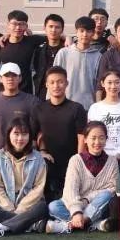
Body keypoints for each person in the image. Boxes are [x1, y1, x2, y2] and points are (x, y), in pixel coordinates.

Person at [0, 118, 49, 237]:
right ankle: (32, 225)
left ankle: (2, 227)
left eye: (24, 134)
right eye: (16, 134)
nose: (20, 138)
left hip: (30, 205)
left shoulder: (38, 158)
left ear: (29, 136)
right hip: (6, 205)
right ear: (8, 135)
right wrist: (10, 207)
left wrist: (21, 208)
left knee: (42, 208)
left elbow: (38, 188)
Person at [46, 121, 119, 234]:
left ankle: (69, 225)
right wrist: (76, 212)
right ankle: (94, 224)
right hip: (76, 204)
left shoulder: (112, 161)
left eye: (101, 138)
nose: (97, 142)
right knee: (53, 206)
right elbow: (70, 189)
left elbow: (113, 188)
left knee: (107, 195)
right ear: (85, 139)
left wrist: (87, 200)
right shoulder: (76, 160)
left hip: (98, 205)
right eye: (93, 138)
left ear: (106, 139)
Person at [32, 66, 88, 201]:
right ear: (46, 84)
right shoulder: (39, 109)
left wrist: (78, 161)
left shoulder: (76, 108)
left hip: (71, 164)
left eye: (60, 82)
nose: (56, 86)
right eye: (52, 82)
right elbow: (34, 136)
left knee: (68, 199)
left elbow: (81, 137)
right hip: (47, 165)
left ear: (66, 83)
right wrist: (41, 153)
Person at [0, 62, 40, 154]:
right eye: (6, 76)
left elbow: (37, 132)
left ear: (20, 78)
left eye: (14, 75)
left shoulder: (32, 101)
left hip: (24, 157)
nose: (10, 79)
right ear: (0, 78)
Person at [52, 16, 103, 110]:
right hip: (64, 105)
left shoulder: (98, 56)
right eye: (81, 31)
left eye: (88, 31)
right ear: (76, 32)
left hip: (88, 107)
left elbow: (98, 84)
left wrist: (98, 107)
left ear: (93, 33)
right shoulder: (64, 53)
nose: (85, 34)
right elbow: (53, 79)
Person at [88, 70, 120, 163]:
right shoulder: (95, 108)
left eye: (117, 82)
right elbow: (91, 135)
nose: (113, 86)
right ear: (103, 84)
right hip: (99, 157)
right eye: (109, 82)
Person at [31, 14, 66, 100]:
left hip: (62, 92)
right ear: (44, 28)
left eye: (57, 27)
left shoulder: (67, 49)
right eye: (50, 26)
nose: (53, 30)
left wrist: (68, 38)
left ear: (62, 30)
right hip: (42, 93)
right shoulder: (38, 49)